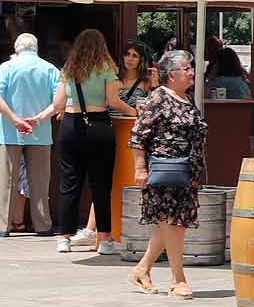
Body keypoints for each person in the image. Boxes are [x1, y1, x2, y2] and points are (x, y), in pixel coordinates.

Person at [126, 51, 208, 299]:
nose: (192, 72)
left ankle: (142, 269)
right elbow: (138, 136)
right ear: (171, 75)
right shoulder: (158, 98)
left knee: (173, 225)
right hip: (165, 170)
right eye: (187, 68)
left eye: (191, 67)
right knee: (172, 224)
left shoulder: (185, 98)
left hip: (186, 172)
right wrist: (139, 169)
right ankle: (178, 280)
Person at [49, 28, 136, 254]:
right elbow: (113, 101)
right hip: (98, 126)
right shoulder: (106, 68)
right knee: (101, 184)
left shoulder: (68, 69)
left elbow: (58, 104)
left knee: (69, 183)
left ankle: (64, 237)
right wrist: (134, 111)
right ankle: (105, 238)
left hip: (70, 124)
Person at [0, 34, 60, 237]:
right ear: (36, 48)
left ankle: (3, 226)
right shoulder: (50, 68)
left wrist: (14, 120)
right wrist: (40, 118)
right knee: (41, 181)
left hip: (9, 132)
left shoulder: (6, 68)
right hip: (40, 132)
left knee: (7, 181)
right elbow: (59, 102)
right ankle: (43, 225)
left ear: (16, 48)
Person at [116, 40, 157, 109]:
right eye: (127, 54)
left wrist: (154, 85)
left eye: (134, 56)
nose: (130, 59)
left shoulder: (146, 82)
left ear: (141, 60)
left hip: (135, 119)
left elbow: (153, 107)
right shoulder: (113, 77)